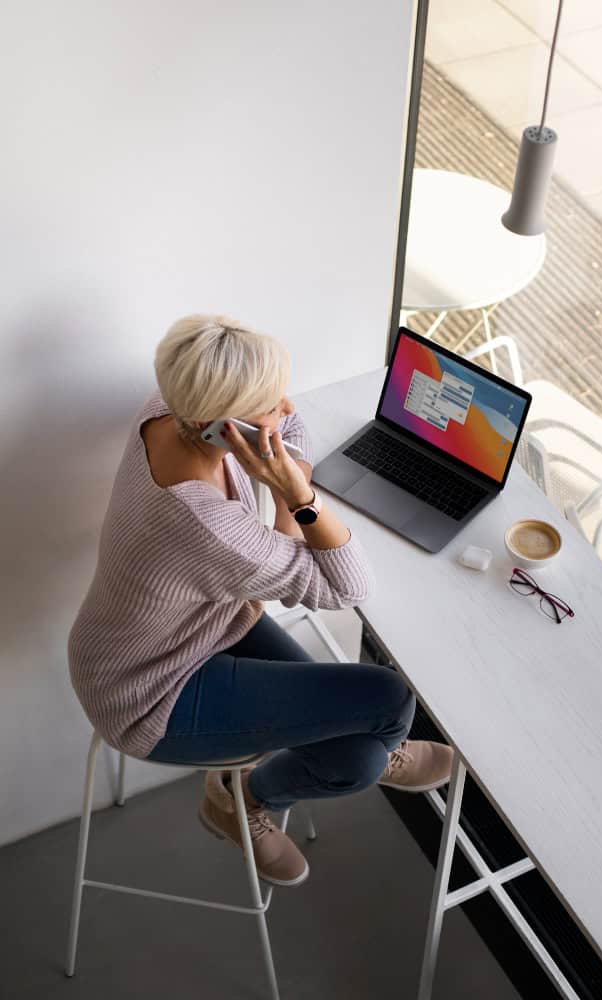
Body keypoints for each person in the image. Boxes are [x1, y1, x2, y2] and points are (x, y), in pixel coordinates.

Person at [68, 314, 454, 888]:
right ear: (222, 425)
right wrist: (294, 493)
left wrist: (279, 487)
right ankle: (243, 795)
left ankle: (287, 777)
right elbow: (349, 586)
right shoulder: (209, 527)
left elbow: (292, 433)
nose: (287, 409)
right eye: (268, 405)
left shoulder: (169, 405)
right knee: (391, 705)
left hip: (197, 628)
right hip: (148, 694)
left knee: (359, 758)